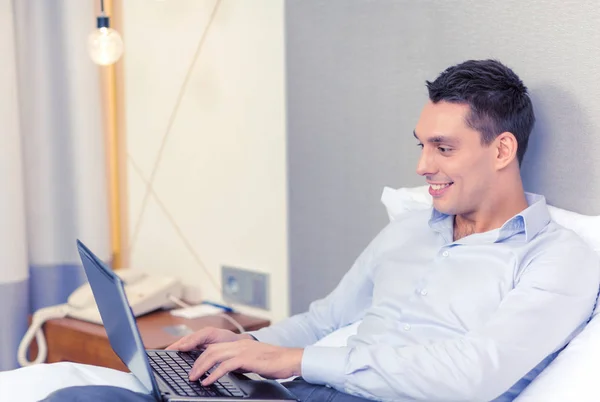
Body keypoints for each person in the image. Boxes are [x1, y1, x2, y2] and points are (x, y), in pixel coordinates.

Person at [166, 59, 600, 402]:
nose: (423, 166)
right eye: (422, 145)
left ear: (502, 149)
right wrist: (247, 344)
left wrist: (295, 361)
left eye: (443, 148)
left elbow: (474, 375)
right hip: (305, 392)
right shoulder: (410, 230)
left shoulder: (558, 258)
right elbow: (325, 321)